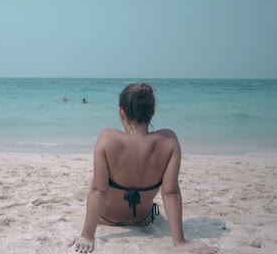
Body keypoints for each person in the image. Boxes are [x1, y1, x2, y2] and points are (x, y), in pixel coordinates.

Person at [69, 83, 218, 253]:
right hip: (142, 220)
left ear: (121, 112)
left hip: (106, 219)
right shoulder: (168, 141)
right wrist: (180, 242)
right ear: (152, 112)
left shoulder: (107, 138)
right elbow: (170, 192)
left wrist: (87, 236)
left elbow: (98, 191)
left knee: (97, 181)